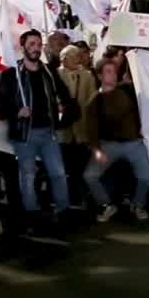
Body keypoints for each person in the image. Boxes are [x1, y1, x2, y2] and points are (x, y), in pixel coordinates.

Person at [0, 30, 80, 229]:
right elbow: (0, 105)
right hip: (25, 134)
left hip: (47, 132)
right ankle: (31, 213)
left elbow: (64, 96)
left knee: (58, 173)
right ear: (23, 46)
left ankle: (63, 209)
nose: (35, 48)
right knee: (28, 175)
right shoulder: (12, 74)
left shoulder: (49, 72)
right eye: (32, 44)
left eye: (38, 44)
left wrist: (63, 108)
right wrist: (17, 111)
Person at [82, 59, 149, 224]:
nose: (112, 75)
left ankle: (138, 205)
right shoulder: (95, 101)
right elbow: (91, 130)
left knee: (146, 177)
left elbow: (147, 101)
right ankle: (106, 205)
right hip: (109, 145)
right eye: (108, 71)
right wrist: (97, 151)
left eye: (114, 71)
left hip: (134, 143)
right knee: (90, 176)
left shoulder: (127, 90)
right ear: (99, 75)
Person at [57, 44, 97, 210]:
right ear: (64, 59)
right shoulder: (56, 75)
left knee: (81, 165)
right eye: (72, 56)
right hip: (63, 130)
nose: (77, 59)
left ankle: (80, 198)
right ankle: (66, 199)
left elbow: (92, 100)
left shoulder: (87, 76)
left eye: (77, 56)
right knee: (64, 166)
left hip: (81, 129)